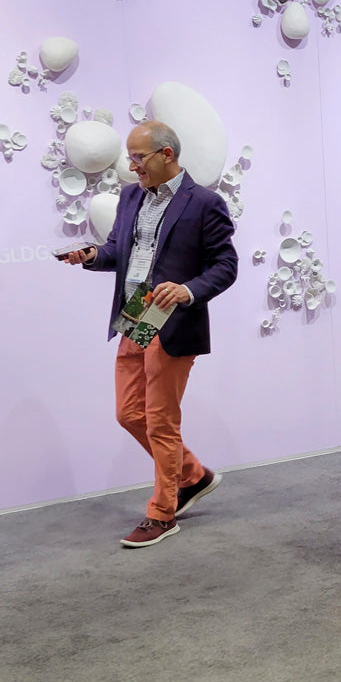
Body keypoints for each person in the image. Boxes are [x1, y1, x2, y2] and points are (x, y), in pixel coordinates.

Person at [63, 121, 237, 548]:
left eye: (138, 157)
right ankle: (193, 475)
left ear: (167, 155)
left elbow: (225, 265)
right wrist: (91, 255)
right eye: (130, 156)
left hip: (172, 319)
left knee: (161, 420)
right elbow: (119, 250)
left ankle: (163, 512)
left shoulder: (205, 203)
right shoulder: (130, 196)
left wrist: (189, 290)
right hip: (135, 314)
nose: (131, 164)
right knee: (129, 413)